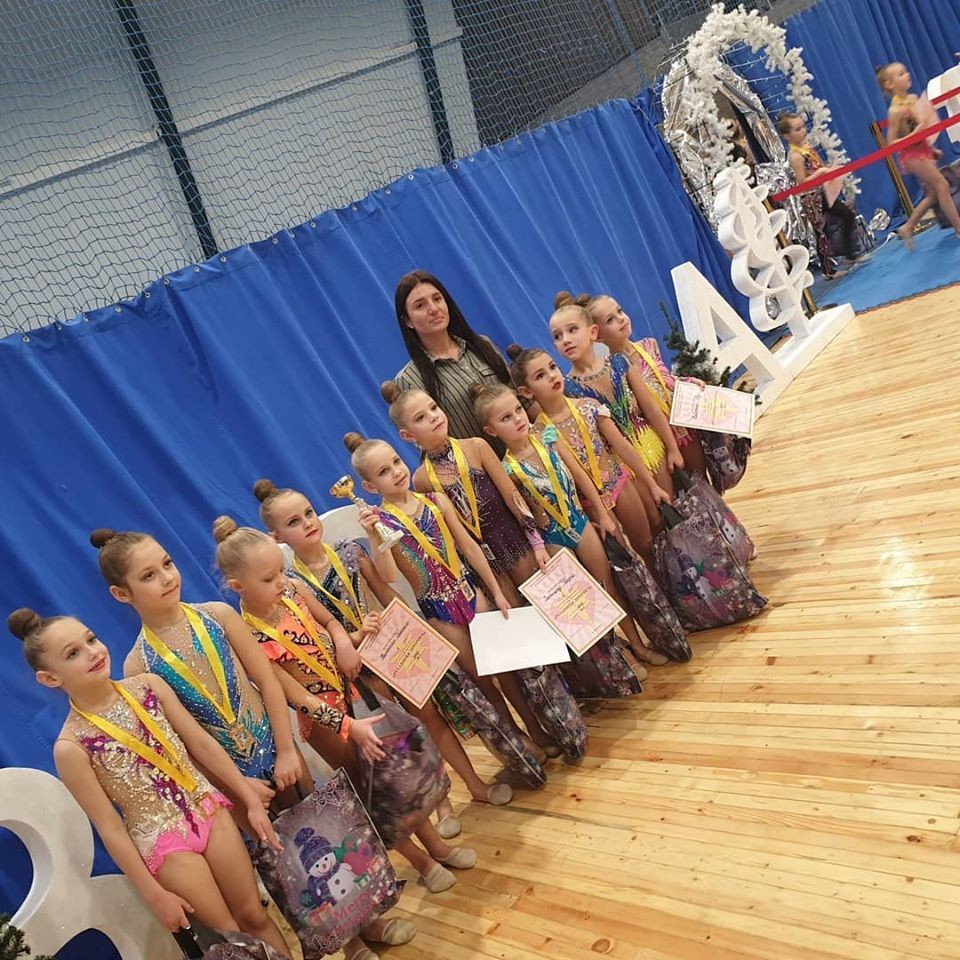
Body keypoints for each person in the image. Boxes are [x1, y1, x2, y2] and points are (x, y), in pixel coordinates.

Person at [215, 518, 477, 895]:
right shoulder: (249, 634)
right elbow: (294, 695)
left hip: (356, 694)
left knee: (394, 778)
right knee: (372, 794)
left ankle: (437, 846)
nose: (281, 582)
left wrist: (343, 641)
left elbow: (330, 622)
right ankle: (421, 861)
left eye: (281, 572)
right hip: (326, 723)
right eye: (269, 579)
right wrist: (346, 726)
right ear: (238, 586)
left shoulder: (293, 590)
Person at [8, 607, 289, 954]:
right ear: (50, 678)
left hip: (208, 808)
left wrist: (248, 798)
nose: (93, 652)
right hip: (163, 842)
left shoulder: (148, 686)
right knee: (230, 935)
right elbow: (110, 827)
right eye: (73, 654)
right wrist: (154, 895)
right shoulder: (71, 746)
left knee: (254, 916)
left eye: (91, 639)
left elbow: (201, 744)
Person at [252, 477, 513, 837]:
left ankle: (474, 783)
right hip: (355, 670)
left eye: (309, 513)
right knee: (400, 736)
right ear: (277, 536)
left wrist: (415, 629)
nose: (308, 523)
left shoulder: (349, 551)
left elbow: (384, 590)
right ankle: (440, 805)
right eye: (294, 522)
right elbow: (315, 633)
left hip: (391, 648)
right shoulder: (292, 585)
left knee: (430, 719)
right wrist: (348, 643)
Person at [341, 432, 549, 761]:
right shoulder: (381, 522)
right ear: (369, 486)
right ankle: (519, 743)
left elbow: (468, 546)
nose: (396, 472)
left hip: (470, 591)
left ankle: (536, 728)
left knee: (505, 668)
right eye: (383, 472)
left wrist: (496, 591)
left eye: (396, 462)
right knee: (484, 682)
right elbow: (389, 575)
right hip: (438, 610)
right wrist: (372, 534)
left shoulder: (435, 500)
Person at [382, 382, 564, 756]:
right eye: (421, 418)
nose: (434, 418)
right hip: (480, 569)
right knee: (514, 645)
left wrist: (535, 541)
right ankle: (539, 722)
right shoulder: (422, 481)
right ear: (407, 435)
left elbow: (512, 496)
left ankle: (567, 704)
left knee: (546, 619)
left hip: (514, 544)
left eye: (433, 408)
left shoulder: (476, 447)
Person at [470, 382, 659, 674]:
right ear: (491, 430)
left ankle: (638, 644)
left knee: (607, 586)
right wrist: (538, 545)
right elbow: (522, 513)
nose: (518, 419)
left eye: (518, 410)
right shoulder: (507, 469)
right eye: (506, 418)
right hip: (552, 537)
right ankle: (621, 659)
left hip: (579, 522)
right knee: (584, 600)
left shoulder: (549, 438)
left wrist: (602, 514)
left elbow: (580, 476)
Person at [506, 344, 668, 572]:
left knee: (647, 545)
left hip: (618, 484)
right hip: (588, 503)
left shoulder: (590, 407)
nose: (552, 376)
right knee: (623, 563)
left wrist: (652, 485)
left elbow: (623, 447)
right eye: (540, 376)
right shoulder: (539, 435)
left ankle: (665, 589)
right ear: (526, 392)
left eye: (552, 367)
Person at [552, 293, 683, 516]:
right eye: (557, 336)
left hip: (653, 445)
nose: (565, 339)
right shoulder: (568, 389)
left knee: (676, 507)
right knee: (655, 520)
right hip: (622, 465)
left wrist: (672, 448)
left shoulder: (619, 363)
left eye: (572, 330)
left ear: (593, 332)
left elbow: (651, 408)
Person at [582, 293, 708, 478]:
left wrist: (687, 381)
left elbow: (663, 380)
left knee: (702, 480)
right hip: (656, 438)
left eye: (619, 311)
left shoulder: (649, 345)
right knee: (684, 488)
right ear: (598, 336)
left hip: (681, 424)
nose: (621, 319)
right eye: (610, 320)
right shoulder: (612, 371)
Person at [393, 270, 513, 444]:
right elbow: (430, 446)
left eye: (437, 299)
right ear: (407, 321)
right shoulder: (408, 380)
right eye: (420, 305)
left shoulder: (482, 344)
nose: (433, 309)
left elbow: (521, 400)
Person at [876, 62, 960, 246]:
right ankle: (958, 228)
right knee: (943, 186)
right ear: (889, 84)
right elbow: (891, 143)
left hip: (923, 151)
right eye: (900, 74)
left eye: (906, 71)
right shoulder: (895, 111)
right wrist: (914, 135)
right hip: (912, 156)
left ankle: (908, 227)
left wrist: (931, 149)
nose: (907, 75)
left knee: (933, 194)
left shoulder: (913, 99)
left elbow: (921, 130)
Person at [777, 113, 866, 278]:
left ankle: (851, 254)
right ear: (787, 136)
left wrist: (827, 172)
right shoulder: (795, 156)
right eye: (797, 129)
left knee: (846, 215)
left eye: (803, 127)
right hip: (811, 198)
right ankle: (828, 271)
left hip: (822, 192)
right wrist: (820, 173)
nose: (803, 131)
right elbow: (802, 182)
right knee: (821, 233)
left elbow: (817, 165)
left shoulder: (805, 147)